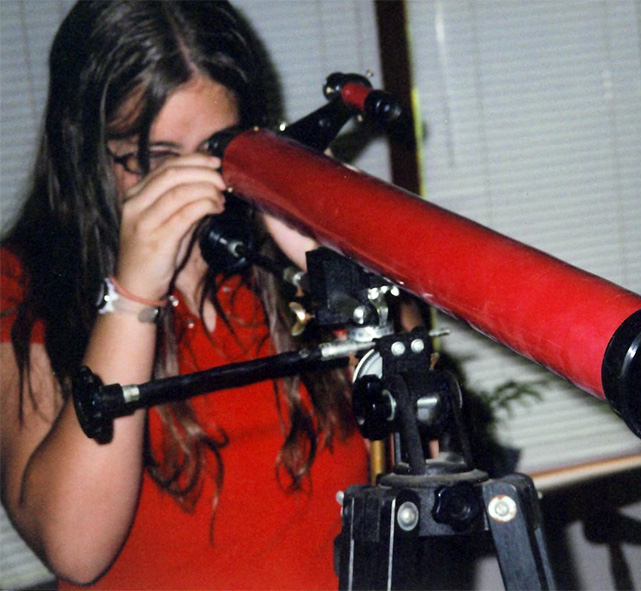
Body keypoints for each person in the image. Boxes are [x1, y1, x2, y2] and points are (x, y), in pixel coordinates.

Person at [0, 2, 370, 589]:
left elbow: (420, 455)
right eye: (156, 160)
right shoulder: (22, 284)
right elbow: (74, 549)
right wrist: (131, 296)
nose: (193, 184)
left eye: (216, 149)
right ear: (86, 149)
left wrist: (336, 262)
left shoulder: (275, 265)